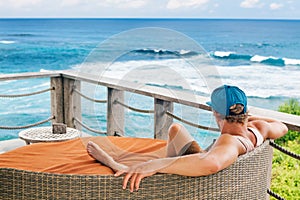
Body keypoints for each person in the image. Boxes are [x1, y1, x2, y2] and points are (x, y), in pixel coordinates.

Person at [87, 85, 288, 192]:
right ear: (244, 110)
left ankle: (117, 165)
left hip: (198, 178)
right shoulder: (259, 128)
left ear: (216, 113)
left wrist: (156, 165)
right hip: (207, 155)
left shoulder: (230, 141)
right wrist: (247, 119)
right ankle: (148, 164)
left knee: (151, 162)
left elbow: (210, 164)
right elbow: (283, 127)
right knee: (176, 129)